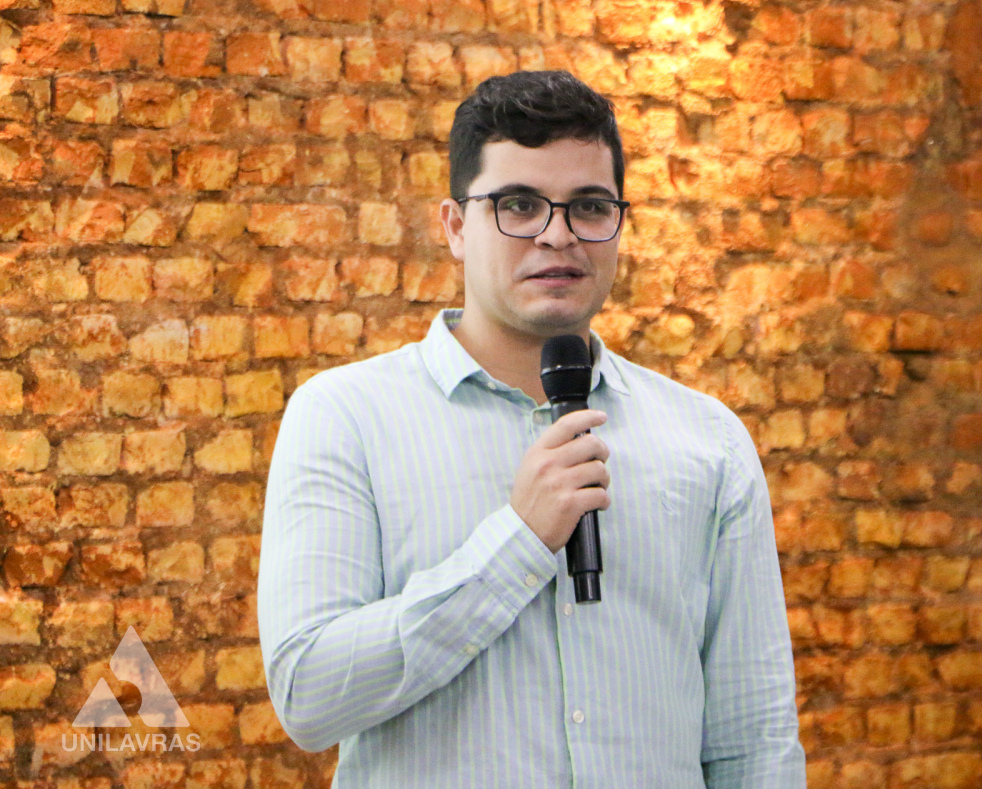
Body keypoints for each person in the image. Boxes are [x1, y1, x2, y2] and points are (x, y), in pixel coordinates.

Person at [257, 70, 805, 788]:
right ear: (455, 227)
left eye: (589, 207)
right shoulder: (345, 417)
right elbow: (309, 694)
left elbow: (754, 740)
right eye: (518, 204)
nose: (557, 234)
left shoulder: (708, 440)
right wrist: (519, 540)